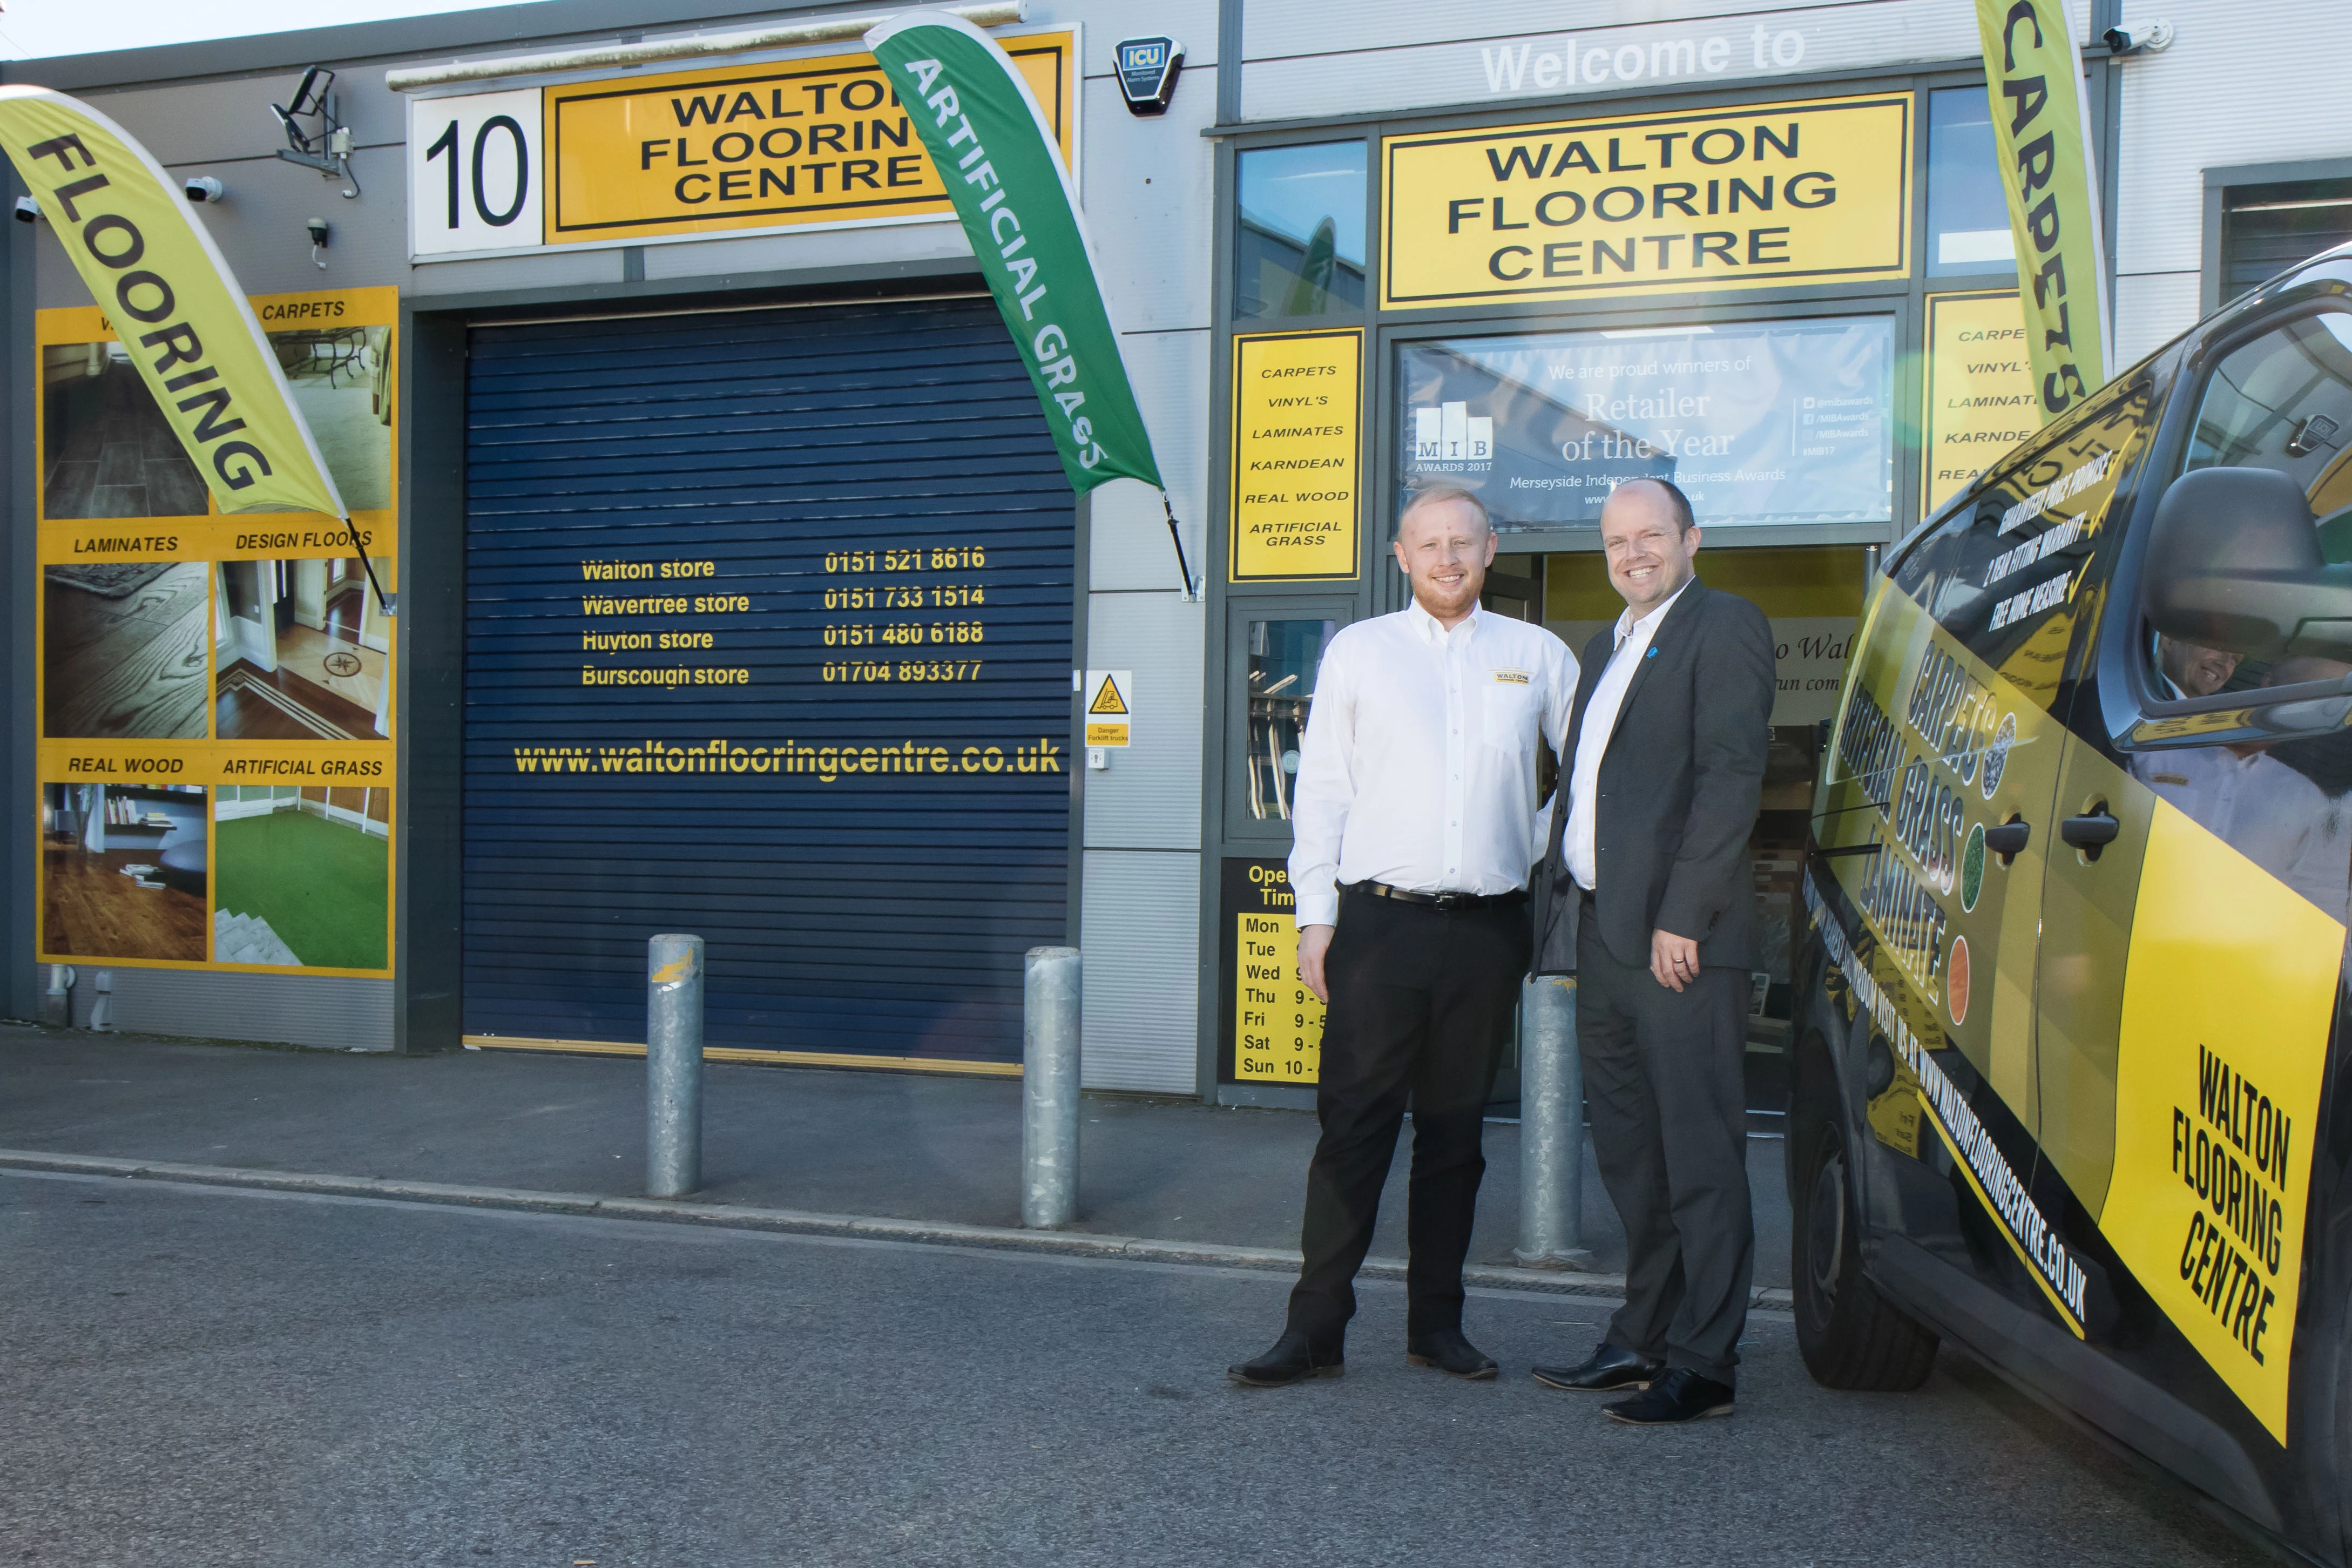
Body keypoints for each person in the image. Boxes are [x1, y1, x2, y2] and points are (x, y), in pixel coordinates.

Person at [1228, 485, 1576, 1388]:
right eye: (1431, 544)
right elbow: (1325, 795)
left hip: (1488, 931)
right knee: (1353, 1131)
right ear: (1401, 555)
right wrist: (1316, 918)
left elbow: (1593, 770)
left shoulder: (1535, 655)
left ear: (1491, 549)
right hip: (1378, 926)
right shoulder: (1359, 653)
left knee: (1456, 1140)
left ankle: (1437, 1328)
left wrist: (1528, 840)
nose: (1448, 557)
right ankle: (1314, 1331)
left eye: (1464, 541)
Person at [1525, 476, 1775, 1425]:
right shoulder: (1608, 644)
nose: (1633, 553)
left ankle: (1705, 1362)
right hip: (1602, 933)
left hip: (1679, 943)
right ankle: (1644, 1336)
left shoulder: (1726, 625)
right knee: (1632, 1154)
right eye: (1616, 541)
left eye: (1651, 536)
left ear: (1691, 539)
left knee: (1699, 1152)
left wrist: (1685, 914)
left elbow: (1729, 777)